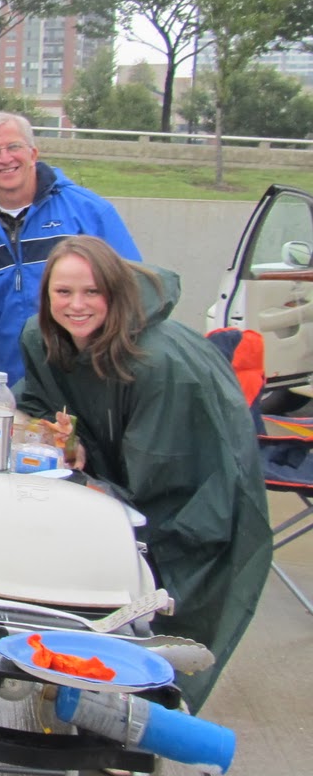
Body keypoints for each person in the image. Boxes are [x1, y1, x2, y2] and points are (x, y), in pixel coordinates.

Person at [17, 236, 272, 707]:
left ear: (116, 293)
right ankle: (85, 678)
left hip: (200, 498)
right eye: (63, 292)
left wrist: (91, 479)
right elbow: (38, 403)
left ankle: (143, 711)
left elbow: (162, 487)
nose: (76, 305)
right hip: (137, 478)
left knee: (170, 606)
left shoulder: (160, 364)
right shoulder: (45, 336)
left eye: (92, 292)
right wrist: (63, 440)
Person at [0, 111, 141, 386]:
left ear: (33, 153)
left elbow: (135, 294)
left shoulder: (89, 213)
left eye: (14, 147)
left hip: (90, 384)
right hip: (16, 390)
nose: (5, 158)